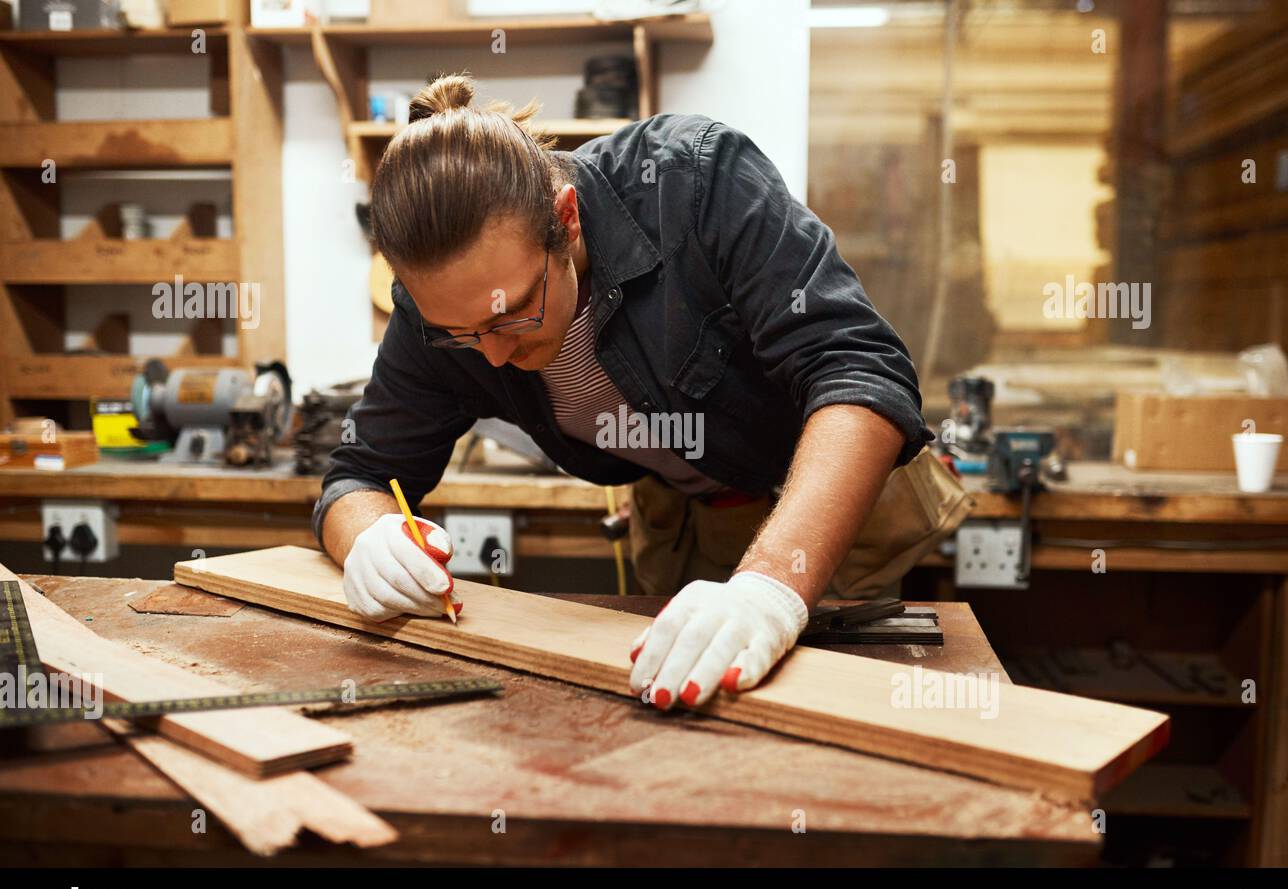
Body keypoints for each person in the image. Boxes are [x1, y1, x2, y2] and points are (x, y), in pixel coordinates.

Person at [315, 73, 972, 712]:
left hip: (820, 505)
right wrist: (367, 539)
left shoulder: (695, 180)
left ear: (565, 220)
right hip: (684, 520)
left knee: (837, 725)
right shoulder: (437, 310)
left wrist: (770, 588)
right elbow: (360, 474)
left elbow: (858, 368)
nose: (492, 352)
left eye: (511, 313)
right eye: (460, 334)